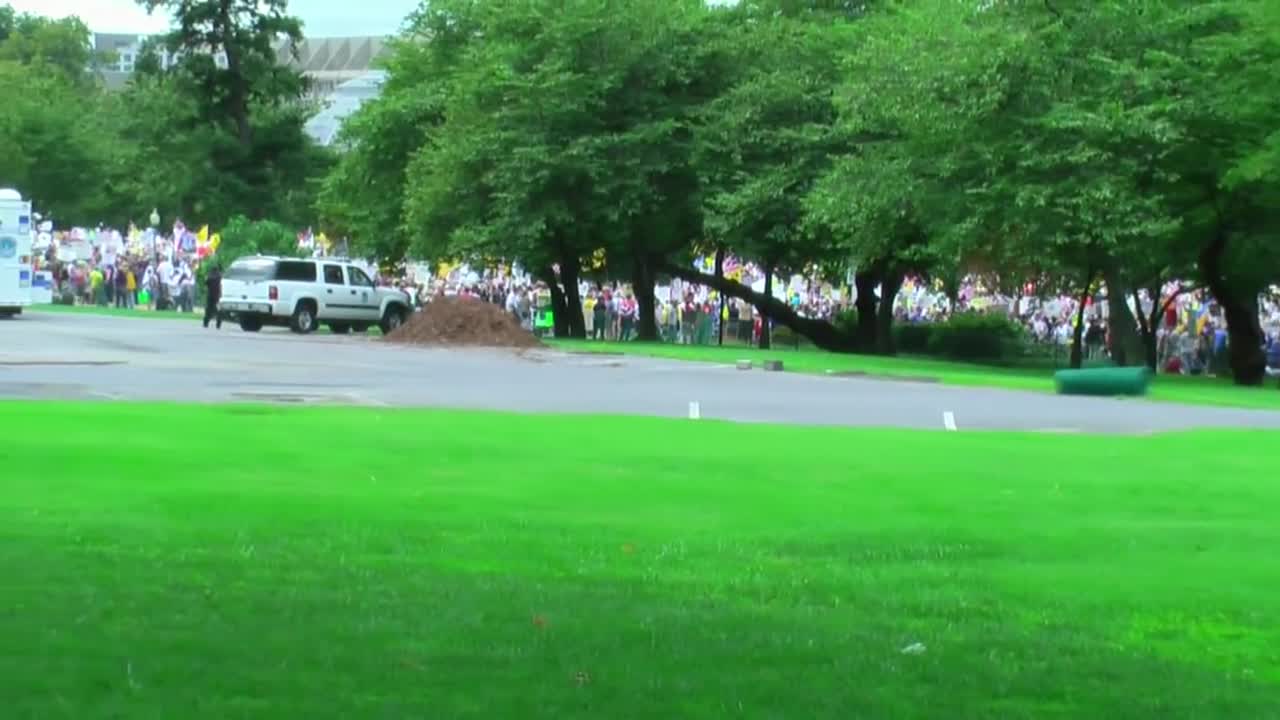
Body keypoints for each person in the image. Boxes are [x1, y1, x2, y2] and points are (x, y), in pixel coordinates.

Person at [203, 264, 223, 329]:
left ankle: (206, 323)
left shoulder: (210, 276)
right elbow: (221, 285)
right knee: (218, 310)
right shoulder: (220, 276)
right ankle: (218, 323)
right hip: (217, 296)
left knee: (208, 309)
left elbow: (206, 283)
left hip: (210, 295)